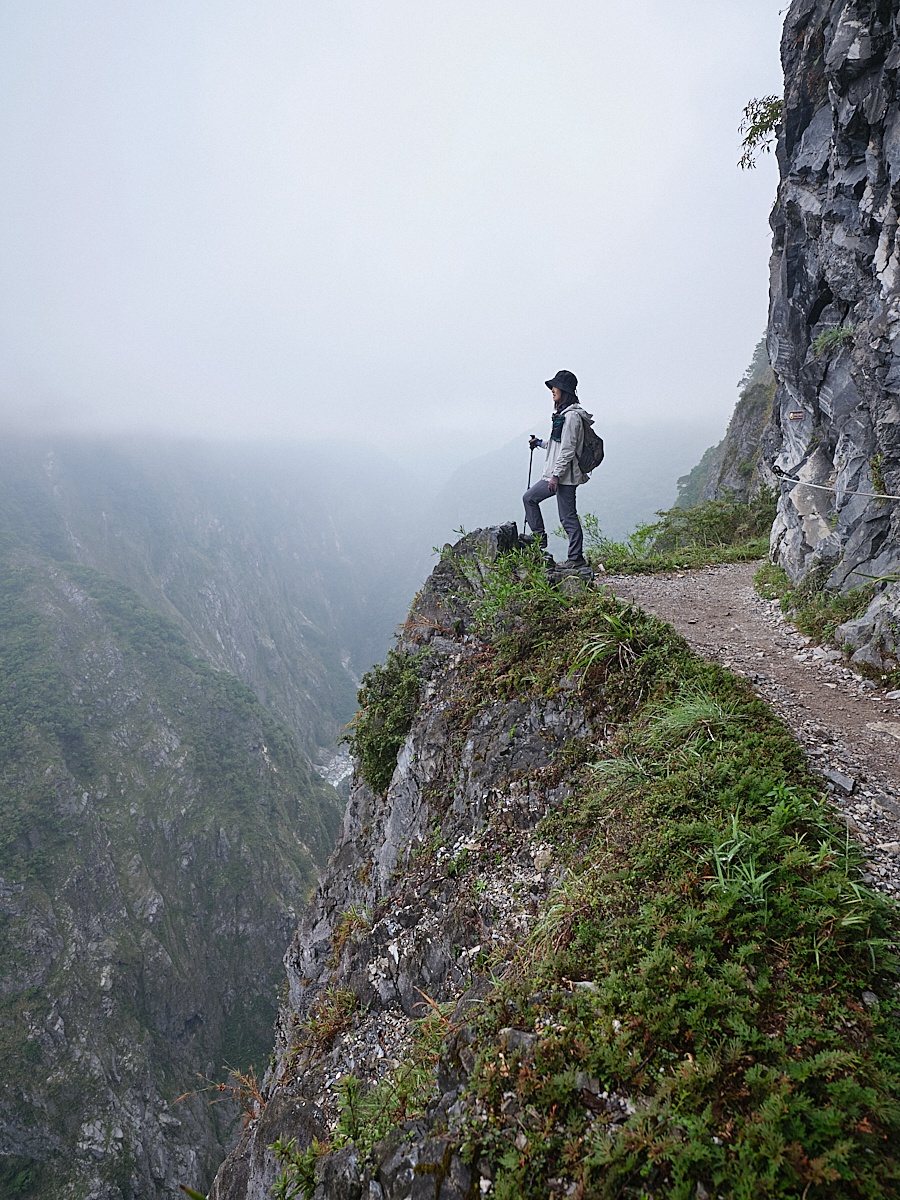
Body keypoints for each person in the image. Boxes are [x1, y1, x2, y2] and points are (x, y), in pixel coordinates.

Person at [523, 369, 594, 569]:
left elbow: (568, 450)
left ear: (564, 390)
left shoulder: (571, 417)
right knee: (530, 499)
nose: (552, 390)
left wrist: (555, 475)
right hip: (558, 474)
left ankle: (575, 557)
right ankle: (541, 541)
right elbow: (558, 445)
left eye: (555, 387)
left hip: (564, 477)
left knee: (567, 516)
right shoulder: (562, 415)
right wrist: (539, 443)